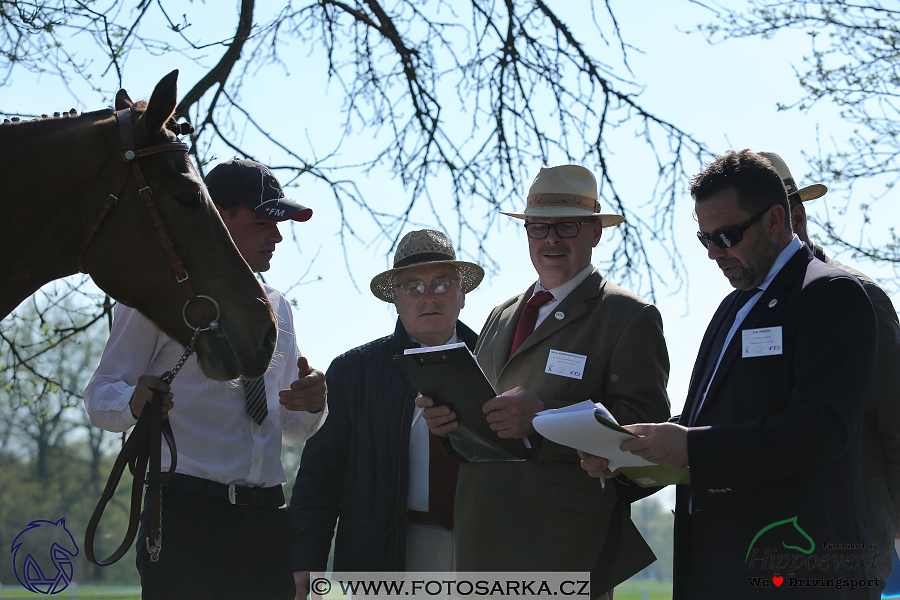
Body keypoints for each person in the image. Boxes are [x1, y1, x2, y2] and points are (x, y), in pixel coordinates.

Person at [581, 150, 879, 599]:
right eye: (705, 240)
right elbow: (706, 420)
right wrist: (630, 455)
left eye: (727, 235)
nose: (715, 254)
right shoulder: (734, 304)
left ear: (776, 220)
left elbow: (821, 430)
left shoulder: (833, 294)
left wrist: (690, 447)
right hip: (718, 567)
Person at [418, 164, 671, 599]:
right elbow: (484, 426)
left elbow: (645, 434)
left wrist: (545, 420)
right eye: (538, 227)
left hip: (564, 547)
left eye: (566, 226)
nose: (551, 239)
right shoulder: (500, 315)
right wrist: (448, 426)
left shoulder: (628, 317)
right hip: (481, 541)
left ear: (595, 232)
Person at [84, 159, 328, 600]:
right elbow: (100, 395)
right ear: (217, 216)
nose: (277, 236)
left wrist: (313, 405)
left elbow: (290, 432)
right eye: (263, 223)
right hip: (187, 521)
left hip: (269, 522)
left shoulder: (279, 305)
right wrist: (134, 400)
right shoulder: (154, 296)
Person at [290, 229, 482, 596]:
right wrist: (304, 563)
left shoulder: (498, 361)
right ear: (395, 298)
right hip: (382, 554)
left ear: (462, 294)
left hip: (485, 549)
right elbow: (320, 478)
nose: (428, 297)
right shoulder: (353, 371)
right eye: (413, 286)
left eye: (441, 284)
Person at [760, 151, 900, 587]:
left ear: (792, 215)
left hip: (844, 545)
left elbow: (897, 422)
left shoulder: (857, 298)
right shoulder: (746, 308)